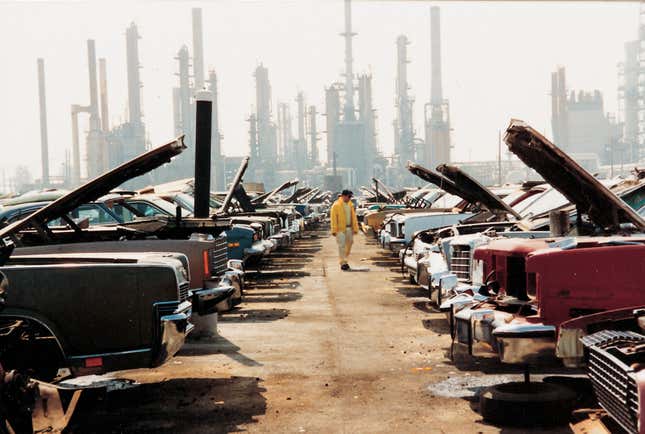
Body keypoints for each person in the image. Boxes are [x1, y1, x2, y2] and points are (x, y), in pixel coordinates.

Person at [330, 189, 359, 270]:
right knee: (341, 246)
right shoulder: (336, 205)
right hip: (340, 229)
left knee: (349, 244)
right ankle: (343, 263)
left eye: (350, 197)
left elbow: (353, 217)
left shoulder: (350, 205)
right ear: (343, 196)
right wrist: (334, 230)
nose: (350, 198)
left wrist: (355, 228)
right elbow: (333, 218)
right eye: (349, 196)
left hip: (349, 228)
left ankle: (345, 259)